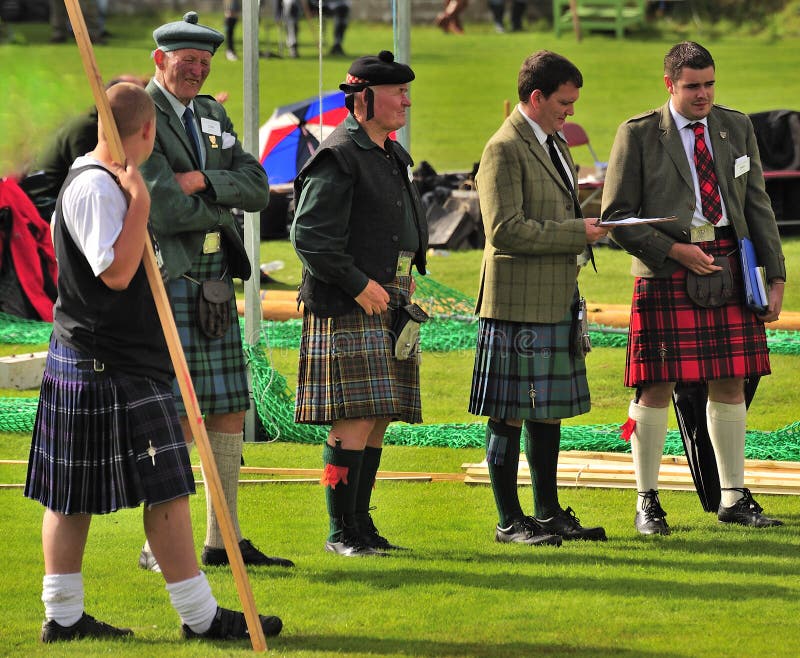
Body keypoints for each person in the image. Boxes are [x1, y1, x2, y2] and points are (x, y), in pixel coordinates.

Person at [23, 81, 282, 643]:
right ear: (146, 131)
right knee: (148, 492)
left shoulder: (101, 181)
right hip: (105, 363)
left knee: (102, 495)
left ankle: (71, 618)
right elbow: (115, 273)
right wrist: (140, 203)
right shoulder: (98, 188)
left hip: (112, 360)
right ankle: (194, 617)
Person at [601, 41, 786, 535]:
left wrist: (777, 276)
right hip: (667, 269)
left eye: (709, 84)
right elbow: (617, 216)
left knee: (731, 380)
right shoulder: (638, 134)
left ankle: (733, 497)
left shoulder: (735, 126)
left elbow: (758, 204)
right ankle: (647, 501)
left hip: (730, 262)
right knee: (655, 385)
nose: (703, 94)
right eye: (692, 87)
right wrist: (673, 251)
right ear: (669, 85)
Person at [138, 11, 294, 570]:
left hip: (214, 281)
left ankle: (220, 537)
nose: (197, 72)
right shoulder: (140, 113)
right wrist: (212, 203)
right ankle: (161, 546)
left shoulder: (211, 113)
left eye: (204, 64)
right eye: (186, 63)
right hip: (169, 277)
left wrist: (205, 181)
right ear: (160, 60)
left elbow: (257, 189)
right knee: (178, 414)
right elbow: (164, 207)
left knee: (229, 407)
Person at [468, 50, 610, 548]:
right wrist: (578, 233)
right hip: (515, 302)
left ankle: (547, 514)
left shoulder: (554, 142)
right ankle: (510, 521)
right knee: (508, 411)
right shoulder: (503, 148)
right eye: (563, 103)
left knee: (547, 410)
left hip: (555, 295)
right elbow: (504, 230)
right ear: (536, 97)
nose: (570, 112)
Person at [290, 50, 427, 557]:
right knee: (353, 415)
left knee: (378, 414)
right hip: (349, 301)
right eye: (398, 93)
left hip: (390, 297)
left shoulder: (387, 151)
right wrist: (356, 284)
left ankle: (361, 524)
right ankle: (339, 531)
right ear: (365, 99)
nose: (406, 101)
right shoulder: (339, 154)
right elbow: (308, 235)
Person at [21, 74, 148, 222]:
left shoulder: (109, 127)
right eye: (137, 100)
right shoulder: (87, 129)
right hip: (41, 203)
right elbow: (92, 182)